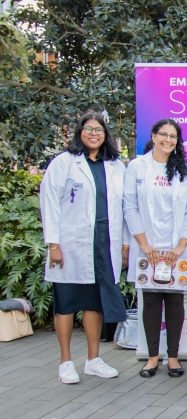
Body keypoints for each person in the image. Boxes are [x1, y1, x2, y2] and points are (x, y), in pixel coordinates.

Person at [40, 112, 127, 384]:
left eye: (98, 130)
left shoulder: (115, 166)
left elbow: (125, 208)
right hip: (71, 244)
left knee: (95, 303)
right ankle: (65, 362)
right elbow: (49, 203)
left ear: (105, 135)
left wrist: (124, 244)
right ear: (80, 132)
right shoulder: (64, 163)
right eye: (88, 129)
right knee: (66, 303)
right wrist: (53, 243)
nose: (93, 134)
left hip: (105, 242)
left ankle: (93, 359)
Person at [124, 119, 187, 378]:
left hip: (176, 249)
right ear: (154, 136)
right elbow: (130, 207)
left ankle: (174, 357)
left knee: (176, 301)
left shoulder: (185, 169)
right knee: (152, 301)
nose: (168, 140)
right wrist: (144, 245)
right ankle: (153, 357)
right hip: (148, 248)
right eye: (163, 135)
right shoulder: (137, 167)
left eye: (173, 136)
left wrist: (180, 246)